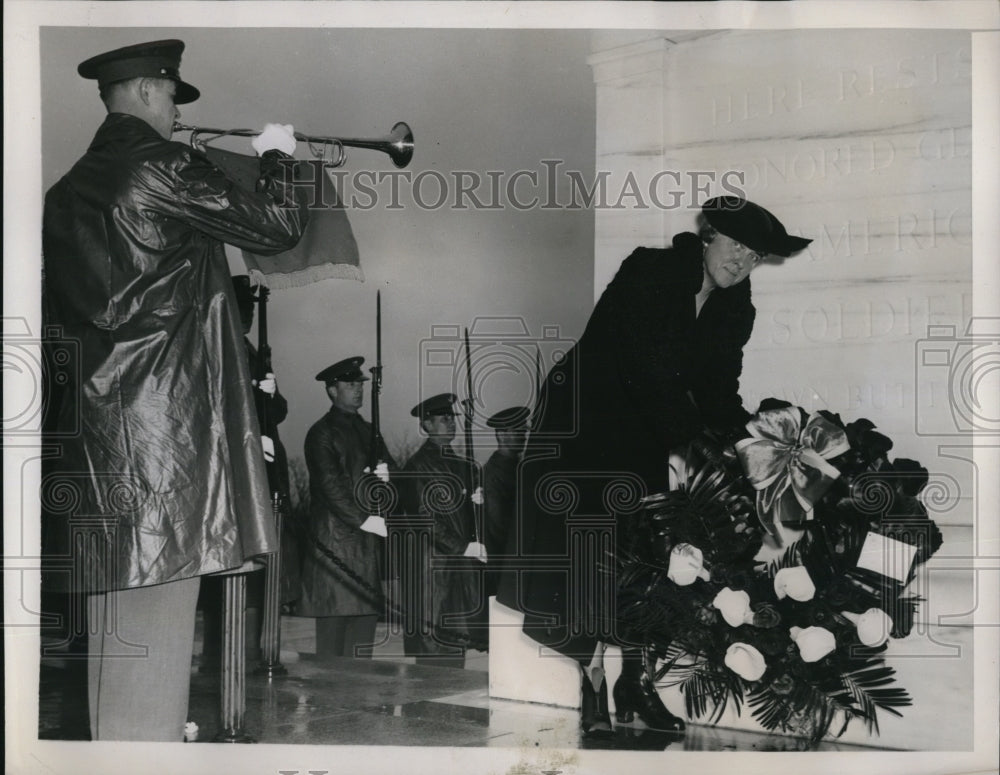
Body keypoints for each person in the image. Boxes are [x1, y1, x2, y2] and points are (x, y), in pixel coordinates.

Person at [41, 39, 307, 741]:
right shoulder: (162, 164)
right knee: (155, 644)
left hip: (98, 450)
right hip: (167, 449)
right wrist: (278, 157)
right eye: (171, 100)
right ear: (153, 93)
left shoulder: (65, 191)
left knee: (110, 646)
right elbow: (277, 228)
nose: (174, 117)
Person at [497, 196, 811, 737]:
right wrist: (695, 440)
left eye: (754, 255)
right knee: (584, 557)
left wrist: (750, 443)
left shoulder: (737, 307)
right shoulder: (650, 270)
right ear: (709, 236)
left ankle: (636, 681)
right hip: (584, 432)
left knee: (642, 554)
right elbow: (647, 372)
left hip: (642, 431)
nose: (741, 262)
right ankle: (592, 679)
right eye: (735, 246)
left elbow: (717, 390)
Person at [198, 275, 291, 672]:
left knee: (254, 568)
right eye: (243, 307)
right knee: (230, 567)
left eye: (251, 308)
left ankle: (249, 654)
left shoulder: (252, 352)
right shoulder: (219, 347)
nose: (249, 314)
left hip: (261, 469)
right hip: (235, 469)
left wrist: (269, 394)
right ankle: (223, 658)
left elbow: (279, 411)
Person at [297, 357, 394, 660]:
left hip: (365, 546)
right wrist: (367, 521)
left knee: (361, 645)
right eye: (350, 384)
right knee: (333, 648)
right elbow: (332, 488)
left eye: (360, 384)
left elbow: (393, 480)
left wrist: (389, 478)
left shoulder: (369, 432)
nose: (358, 390)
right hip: (335, 546)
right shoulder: (321, 432)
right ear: (331, 390)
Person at [400, 393, 487, 668]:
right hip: (431, 571)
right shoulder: (417, 466)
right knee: (432, 658)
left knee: (454, 652)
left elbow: (469, 519)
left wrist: (482, 504)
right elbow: (424, 520)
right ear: (426, 425)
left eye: (452, 418)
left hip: (457, 571)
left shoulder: (462, 465)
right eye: (443, 418)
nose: (450, 423)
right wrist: (463, 546)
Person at [482, 406, 530, 597]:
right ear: (501, 434)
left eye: (524, 430)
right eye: (517, 430)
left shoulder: (518, 468)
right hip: (505, 564)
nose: (523, 435)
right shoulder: (494, 473)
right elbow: (498, 526)